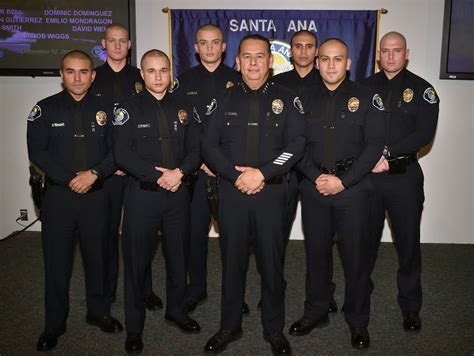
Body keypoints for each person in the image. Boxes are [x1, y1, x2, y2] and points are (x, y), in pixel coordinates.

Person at [202, 34, 305, 355]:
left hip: (272, 194)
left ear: (270, 61)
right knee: (232, 263)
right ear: (237, 62)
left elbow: (297, 145)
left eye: (260, 56)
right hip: (232, 193)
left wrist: (262, 173)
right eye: (247, 57)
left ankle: (274, 330)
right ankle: (229, 326)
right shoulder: (223, 99)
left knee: (271, 265)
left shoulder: (288, 99)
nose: (253, 63)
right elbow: (208, 146)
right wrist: (236, 176)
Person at [290, 38, 385, 350]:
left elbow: (373, 147)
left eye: (338, 59)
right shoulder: (302, 99)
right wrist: (318, 177)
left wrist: (343, 181)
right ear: (317, 63)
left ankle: (358, 321)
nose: (331, 65)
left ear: (349, 63)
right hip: (315, 187)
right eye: (326, 59)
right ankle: (316, 310)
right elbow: (295, 146)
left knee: (356, 259)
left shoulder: (367, 97)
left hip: (354, 190)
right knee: (317, 254)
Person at [27, 50, 123, 352]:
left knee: (98, 258)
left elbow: (117, 151)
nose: (78, 77)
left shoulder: (108, 110)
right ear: (61, 74)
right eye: (71, 71)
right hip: (59, 198)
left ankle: (98, 312)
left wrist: (93, 174)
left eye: (84, 71)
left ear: (93, 75)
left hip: (97, 194)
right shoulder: (44, 110)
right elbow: (38, 153)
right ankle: (54, 323)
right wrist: (72, 178)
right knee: (57, 262)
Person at [113, 50, 201, 354]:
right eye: (151, 71)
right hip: (142, 197)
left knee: (178, 259)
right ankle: (134, 329)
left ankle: (177, 311)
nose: (158, 77)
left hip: (178, 195)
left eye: (163, 70)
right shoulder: (127, 109)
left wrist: (180, 172)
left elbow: (195, 149)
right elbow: (122, 154)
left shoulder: (184, 107)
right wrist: (156, 176)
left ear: (170, 73)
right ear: (142, 73)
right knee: (136, 265)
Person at [363, 31, 439, 332]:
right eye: (385, 50)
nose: (390, 56)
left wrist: (387, 154)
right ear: (378, 54)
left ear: (406, 53)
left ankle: (410, 306)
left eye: (396, 51)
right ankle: (360, 297)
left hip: (404, 179)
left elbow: (423, 135)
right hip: (368, 179)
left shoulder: (423, 90)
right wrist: (369, 159)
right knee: (363, 243)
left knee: (408, 245)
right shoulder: (364, 88)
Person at [172, 23, 247, 314]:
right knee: (194, 235)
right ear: (195, 47)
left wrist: (223, 165)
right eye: (204, 43)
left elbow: (241, 131)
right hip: (196, 171)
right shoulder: (182, 81)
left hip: (228, 174)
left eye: (215, 42)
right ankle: (197, 288)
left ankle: (235, 294)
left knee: (233, 238)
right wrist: (200, 161)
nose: (210, 48)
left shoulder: (239, 80)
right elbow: (181, 129)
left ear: (224, 46)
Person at [90, 23, 163, 311]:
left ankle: (144, 290)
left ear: (129, 44)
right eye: (112, 41)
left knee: (140, 237)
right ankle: (107, 294)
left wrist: (131, 165)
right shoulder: (92, 78)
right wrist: (110, 164)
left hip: (138, 174)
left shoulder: (142, 77)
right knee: (106, 235)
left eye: (122, 41)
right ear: (103, 44)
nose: (118, 46)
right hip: (106, 172)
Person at [273, 30, 338, 314]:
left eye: (309, 46)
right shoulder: (276, 83)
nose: (303, 51)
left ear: (316, 52)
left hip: (315, 173)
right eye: (298, 46)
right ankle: (273, 288)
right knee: (274, 236)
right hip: (283, 172)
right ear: (291, 51)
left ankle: (325, 291)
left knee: (321, 239)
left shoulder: (327, 82)